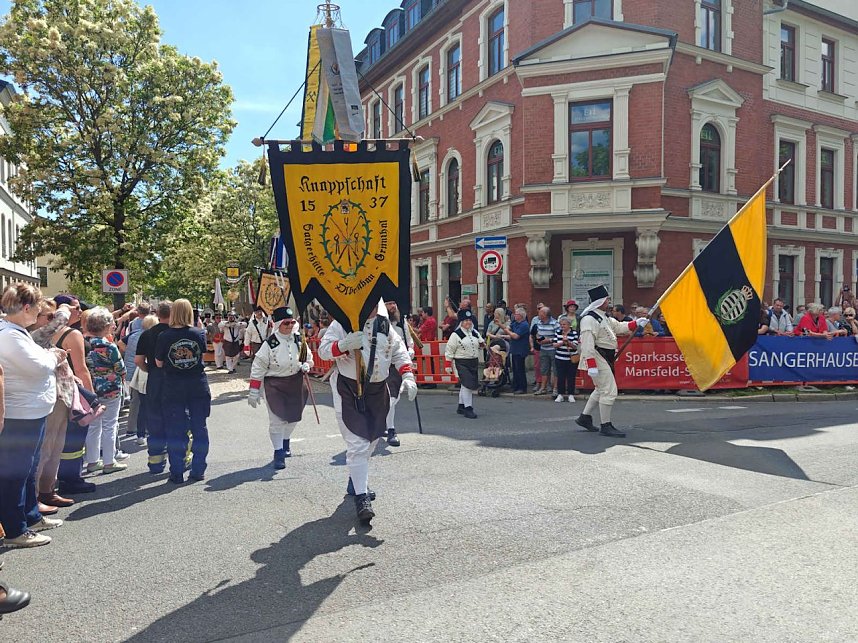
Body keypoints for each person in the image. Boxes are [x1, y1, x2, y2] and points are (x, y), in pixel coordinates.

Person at [318, 300, 417, 524]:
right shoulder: (342, 324)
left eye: (373, 304)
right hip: (348, 388)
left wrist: (408, 376)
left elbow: (399, 351)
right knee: (357, 444)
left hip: (376, 389)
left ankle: (356, 479)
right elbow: (323, 350)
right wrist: (342, 345)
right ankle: (362, 498)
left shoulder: (384, 325)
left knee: (372, 438)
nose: (370, 309)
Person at [0, 284, 67, 547]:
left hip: (30, 411)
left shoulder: (15, 332)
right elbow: (39, 367)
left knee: (27, 469)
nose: (41, 312)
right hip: (21, 414)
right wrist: (53, 356)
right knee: (16, 472)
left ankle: (30, 515)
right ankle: (16, 529)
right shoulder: (10, 335)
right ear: (27, 308)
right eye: (38, 307)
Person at [575, 285, 648, 438]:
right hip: (597, 357)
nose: (609, 301)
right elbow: (587, 344)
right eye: (607, 299)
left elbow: (619, 327)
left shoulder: (604, 317)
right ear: (601, 301)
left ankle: (584, 417)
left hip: (604, 357)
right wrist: (591, 365)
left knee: (601, 389)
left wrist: (636, 323)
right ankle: (605, 425)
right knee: (609, 390)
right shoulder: (589, 319)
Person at [248, 307, 313, 469]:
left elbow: (310, 359)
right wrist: (254, 391)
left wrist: (306, 365)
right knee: (277, 420)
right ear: (278, 324)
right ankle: (278, 453)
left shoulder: (299, 340)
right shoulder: (270, 344)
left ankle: (285, 441)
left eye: (292, 322)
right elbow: (258, 367)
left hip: (296, 383)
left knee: (293, 418)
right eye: (286, 323)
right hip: (275, 385)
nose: (290, 326)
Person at [155, 299, 211, 484]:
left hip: (173, 386)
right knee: (199, 428)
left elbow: (159, 362)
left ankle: (177, 472)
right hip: (197, 385)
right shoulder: (198, 333)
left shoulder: (164, 336)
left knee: (175, 430)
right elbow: (201, 355)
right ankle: (198, 469)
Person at [53, 296, 98, 496]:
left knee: (56, 439)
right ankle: (71, 479)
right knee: (74, 438)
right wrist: (91, 398)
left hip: (53, 391)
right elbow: (81, 369)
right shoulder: (72, 334)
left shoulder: (42, 331)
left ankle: (57, 478)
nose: (80, 312)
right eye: (76, 308)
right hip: (72, 391)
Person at [83, 307, 127, 475]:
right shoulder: (109, 346)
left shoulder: (84, 342)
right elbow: (120, 368)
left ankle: (92, 460)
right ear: (106, 325)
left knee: (94, 425)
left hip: (90, 389)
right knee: (110, 425)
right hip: (110, 390)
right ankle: (109, 461)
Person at [135, 302, 172, 473]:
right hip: (173, 379)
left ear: (157, 313)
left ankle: (156, 463)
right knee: (175, 420)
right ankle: (178, 459)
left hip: (154, 378)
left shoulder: (147, 334)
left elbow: (138, 361)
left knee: (155, 420)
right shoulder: (175, 333)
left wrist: (149, 369)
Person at [383, 300, 415, 446]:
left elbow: (408, 340)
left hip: (397, 364)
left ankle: (388, 426)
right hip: (382, 364)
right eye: (389, 303)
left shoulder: (402, 322)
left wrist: (410, 350)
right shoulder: (377, 323)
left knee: (393, 398)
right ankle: (390, 429)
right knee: (388, 397)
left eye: (394, 303)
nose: (393, 306)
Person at [444, 310, 484, 418]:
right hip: (461, 362)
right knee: (467, 385)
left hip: (473, 361)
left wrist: (482, 344)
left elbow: (481, 343)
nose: (468, 322)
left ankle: (461, 406)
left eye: (469, 320)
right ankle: (468, 408)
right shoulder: (455, 335)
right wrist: (448, 364)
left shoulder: (475, 332)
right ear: (461, 322)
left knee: (465, 385)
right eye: (465, 320)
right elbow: (449, 350)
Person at [504, 307, 531, 394]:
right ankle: (515, 386)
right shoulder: (515, 323)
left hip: (521, 350)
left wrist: (508, 331)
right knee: (515, 369)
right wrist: (507, 329)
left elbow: (515, 336)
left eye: (516, 314)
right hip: (514, 349)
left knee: (520, 369)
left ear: (521, 316)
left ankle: (522, 388)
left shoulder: (524, 325)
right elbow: (508, 327)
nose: (514, 316)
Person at [533, 307, 559, 395]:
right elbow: (538, 334)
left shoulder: (555, 323)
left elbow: (558, 337)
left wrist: (548, 340)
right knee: (544, 369)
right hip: (543, 349)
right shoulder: (539, 323)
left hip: (553, 349)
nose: (538, 314)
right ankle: (543, 388)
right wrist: (538, 339)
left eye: (540, 313)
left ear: (545, 314)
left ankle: (555, 388)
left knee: (555, 369)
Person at [553, 317, 579, 403]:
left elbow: (575, 346)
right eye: (561, 324)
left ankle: (571, 394)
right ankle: (560, 394)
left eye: (564, 324)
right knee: (560, 376)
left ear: (569, 325)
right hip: (559, 358)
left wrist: (568, 342)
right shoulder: (557, 332)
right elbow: (554, 344)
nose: (562, 326)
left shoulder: (574, 333)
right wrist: (562, 343)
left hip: (571, 359)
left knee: (571, 376)